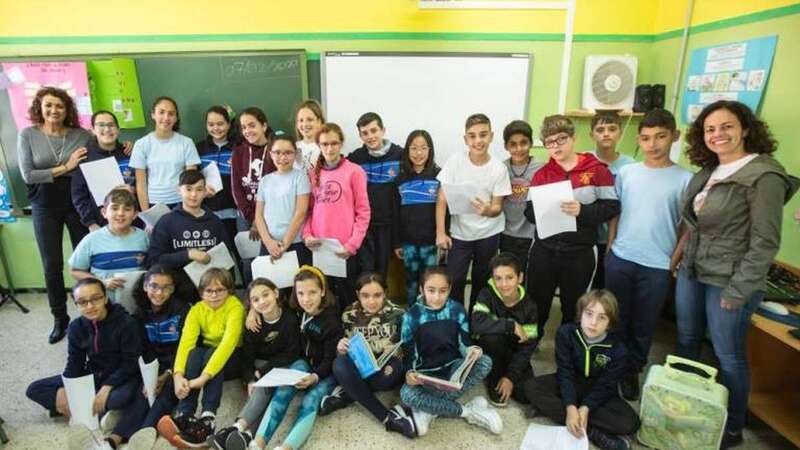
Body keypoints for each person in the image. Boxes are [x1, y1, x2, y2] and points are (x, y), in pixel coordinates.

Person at [675, 100, 799, 449]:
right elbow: (695, 223)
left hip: (729, 280)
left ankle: (732, 426)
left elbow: (765, 242)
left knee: (728, 354)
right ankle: (681, 403)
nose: (718, 135)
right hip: (694, 270)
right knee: (686, 341)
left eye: (727, 126)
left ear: (745, 129)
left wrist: (738, 290)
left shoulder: (764, 175)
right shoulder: (709, 171)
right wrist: (681, 257)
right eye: (710, 129)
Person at [604, 109, 692, 401]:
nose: (652, 144)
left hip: (657, 263)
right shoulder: (628, 173)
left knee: (644, 323)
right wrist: (611, 244)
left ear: (674, 137)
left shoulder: (685, 179)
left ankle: (632, 370)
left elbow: (687, 226)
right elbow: (616, 211)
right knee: (616, 317)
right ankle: (612, 366)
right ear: (639, 141)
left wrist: (675, 257)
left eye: (660, 137)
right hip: (621, 257)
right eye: (645, 138)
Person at [524, 115, 619, 338]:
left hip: (579, 253)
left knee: (575, 308)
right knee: (535, 303)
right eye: (549, 142)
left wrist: (582, 211)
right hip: (544, 250)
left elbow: (612, 207)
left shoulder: (597, 170)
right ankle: (528, 348)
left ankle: (570, 348)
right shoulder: (542, 174)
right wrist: (546, 210)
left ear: (573, 138)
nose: (555, 146)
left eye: (561, 139)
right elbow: (529, 212)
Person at [26, 278, 147, 449]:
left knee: (118, 399)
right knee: (34, 389)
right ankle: (93, 408)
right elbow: (74, 363)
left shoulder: (126, 323)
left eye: (95, 298)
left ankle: (95, 407)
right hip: (92, 374)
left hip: (121, 376)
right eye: (82, 302)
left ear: (105, 298)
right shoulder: (76, 326)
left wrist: (107, 387)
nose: (89, 306)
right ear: (76, 305)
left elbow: (131, 363)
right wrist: (66, 387)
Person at [17, 86, 91, 343]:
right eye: (48, 105)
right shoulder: (28, 135)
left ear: (68, 109)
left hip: (76, 201)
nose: (54, 110)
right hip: (44, 204)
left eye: (59, 106)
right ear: (40, 107)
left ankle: (93, 314)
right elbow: (28, 175)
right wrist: (67, 167)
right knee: (52, 264)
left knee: (84, 262)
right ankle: (60, 318)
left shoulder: (82, 135)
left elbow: (102, 153)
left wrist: (125, 147)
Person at [528, 290, 639, 450]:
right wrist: (571, 407)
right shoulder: (566, 333)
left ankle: (557, 413)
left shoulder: (619, 350)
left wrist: (586, 407)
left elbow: (606, 385)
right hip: (571, 382)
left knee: (630, 423)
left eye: (602, 317)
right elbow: (565, 372)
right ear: (580, 314)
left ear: (610, 323)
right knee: (530, 387)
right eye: (589, 314)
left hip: (598, 390)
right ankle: (592, 431)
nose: (593, 322)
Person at [400, 266, 502, 436]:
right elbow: (408, 350)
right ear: (421, 289)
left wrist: (472, 350)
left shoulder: (457, 309)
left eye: (443, 291)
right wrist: (409, 373)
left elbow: (464, 341)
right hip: (425, 374)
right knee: (407, 395)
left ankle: (429, 409)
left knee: (485, 361)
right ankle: (468, 411)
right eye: (431, 291)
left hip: (453, 368)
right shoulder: (411, 316)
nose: (437, 297)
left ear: (450, 290)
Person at [250, 266, 344, 450]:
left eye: (312, 293)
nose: (306, 299)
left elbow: (330, 359)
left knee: (310, 400)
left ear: (323, 291)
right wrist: (252, 311)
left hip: (326, 371)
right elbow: (267, 303)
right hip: (303, 363)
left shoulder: (331, 322)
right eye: (300, 293)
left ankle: (286, 447)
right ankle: (258, 442)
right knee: (284, 389)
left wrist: (315, 377)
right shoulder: (296, 310)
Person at [318, 272, 415, 438]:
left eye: (377, 295)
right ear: (357, 295)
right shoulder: (349, 314)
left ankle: (347, 394)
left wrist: (400, 351)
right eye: (365, 296)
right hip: (360, 367)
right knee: (339, 364)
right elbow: (347, 346)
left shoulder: (399, 313)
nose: (371, 301)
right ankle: (385, 417)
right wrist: (341, 347)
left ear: (385, 293)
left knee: (395, 369)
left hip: (387, 367)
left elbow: (408, 345)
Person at [158, 268, 244, 447]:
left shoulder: (235, 307)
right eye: (209, 291)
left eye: (220, 290)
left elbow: (227, 345)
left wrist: (203, 378)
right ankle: (185, 415)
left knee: (213, 353)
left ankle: (208, 419)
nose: (214, 295)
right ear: (201, 292)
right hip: (208, 356)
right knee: (195, 352)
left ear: (229, 290)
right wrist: (178, 376)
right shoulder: (197, 309)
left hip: (235, 357)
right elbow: (186, 343)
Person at [212, 278, 301, 450]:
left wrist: (263, 371)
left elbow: (292, 353)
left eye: (265, 295)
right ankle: (243, 433)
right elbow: (247, 356)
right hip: (261, 363)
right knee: (261, 388)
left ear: (276, 293)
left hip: (282, 363)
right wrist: (250, 378)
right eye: (256, 300)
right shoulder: (253, 324)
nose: (262, 302)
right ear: (251, 304)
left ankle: (235, 429)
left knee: (267, 385)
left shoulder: (290, 318)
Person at [436, 114, 511, 310]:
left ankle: (476, 324)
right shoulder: (455, 161)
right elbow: (442, 199)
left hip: (488, 233)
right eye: (472, 136)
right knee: (455, 279)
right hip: (460, 233)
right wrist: (440, 233)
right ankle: (459, 322)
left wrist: (487, 211)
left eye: (483, 135)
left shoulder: (499, 169)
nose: (478, 141)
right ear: (465, 139)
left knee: (481, 280)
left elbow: (497, 208)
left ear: (491, 136)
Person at [303, 123, 370, 310]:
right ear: (319, 145)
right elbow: (308, 211)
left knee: (348, 298)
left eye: (334, 143)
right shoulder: (312, 174)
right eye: (324, 144)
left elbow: (363, 212)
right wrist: (307, 235)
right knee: (324, 297)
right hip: (319, 249)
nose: (329, 148)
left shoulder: (354, 171)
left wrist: (352, 245)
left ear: (341, 144)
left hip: (344, 250)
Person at [145, 169, 234, 302]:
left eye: (199, 190)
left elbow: (227, 260)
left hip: (211, 294)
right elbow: (154, 260)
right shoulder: (166, 221)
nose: (193, 194)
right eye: (188, 189)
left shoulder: (215, 222)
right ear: (178, 190)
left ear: (205, 192)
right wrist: (188, 254)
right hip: (176, 295)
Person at [471, 253, 538, 408]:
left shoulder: (530, 306)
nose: (504, 284)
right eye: (498, 278)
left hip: (514, 352)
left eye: (509, 277)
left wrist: (510, 377)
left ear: (520, 278)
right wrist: (511, 325)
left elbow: (528, 346)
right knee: (491, 337)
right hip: (491, 348)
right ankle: (493, 375)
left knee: (527, 395)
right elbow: (476, 324)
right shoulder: (486, 295)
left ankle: (504, 376)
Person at [68, 188, 149, 313]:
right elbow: (75, 271)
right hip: (104, 305)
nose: (120, 213)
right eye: (115, 208)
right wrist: (102, 282)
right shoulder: (91, 240)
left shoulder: (144, 237)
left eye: (127, 209)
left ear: (135, 215)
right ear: (104, 212)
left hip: (137, 303)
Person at [133, 265, 192, 429]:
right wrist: (150, 375)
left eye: (166, 288)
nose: (159, 293)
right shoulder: (139, 312)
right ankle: (117, 435)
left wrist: (167, 374)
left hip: (178, 364)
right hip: (152, 364)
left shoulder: (183, 309)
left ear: (173, 289)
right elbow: (142, 347)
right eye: (154, 286)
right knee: (142, 391)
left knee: (167, 393)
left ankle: (146, 431)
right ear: (145, 286)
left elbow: (185, 347)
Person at [347, 112, 403, 275]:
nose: (370, 136)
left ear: (383, 130)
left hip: (388, 224)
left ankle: (381, 299)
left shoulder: (400, 155)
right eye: (365, 133)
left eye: (374, 130)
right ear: (360, 136)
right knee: (366, 269)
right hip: (364, 225)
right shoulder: (355, 158)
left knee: (382, 269)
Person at [588, 111, 635, 289]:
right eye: (600, 129)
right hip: (588, 238)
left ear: (620, 132)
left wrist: (612, 240)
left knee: (608, 288)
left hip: (616, 240)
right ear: (591, 134)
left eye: (612, 129)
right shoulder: (584, 161)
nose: (606, 133)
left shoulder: (630, 166)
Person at [394, 130, 442, 304]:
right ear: (407, 151)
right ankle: (413, 314)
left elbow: (446, 211)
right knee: (411, 282)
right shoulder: (400, 179)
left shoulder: (439, 176)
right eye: (414, 148)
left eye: (423, 148)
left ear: (430, 150)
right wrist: (397, 242)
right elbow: (395, 213)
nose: (419, 153)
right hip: (408, 244)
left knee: (430, 281)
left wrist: (443, 239)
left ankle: (429, 313)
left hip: (431, 243)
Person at [130, 96, 200, 211]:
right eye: (161, 112)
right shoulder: (141, 144)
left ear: (176, 117)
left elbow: (191, 180)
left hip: (180, 203)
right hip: (153, 203)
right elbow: (141, 183)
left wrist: (189, 209)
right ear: (153, 114)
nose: (166, 118)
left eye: (171, 114)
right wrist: (147, 214)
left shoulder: (186, 143)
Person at [71, 110, 137, 232]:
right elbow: (79, 196)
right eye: (101, 125)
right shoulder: (84, 158)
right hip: (100, 224)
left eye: (111, 125)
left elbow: (142, 183)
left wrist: (135, 190)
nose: (107, 129)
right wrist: (90, 223)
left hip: (132, 222)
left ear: (118, 129)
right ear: (93, 130)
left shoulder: (129, 152)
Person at [253, 134, 312, 268]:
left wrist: (284, 245)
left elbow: (300, 213)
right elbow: (259, 215)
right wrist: (268, 242)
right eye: (277, 152)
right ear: (270, 154)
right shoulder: (265, 180)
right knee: (269, 287)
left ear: (295, 154)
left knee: (294, 287)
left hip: (294, 244)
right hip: (269, 245)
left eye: (288, 153)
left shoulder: (301, 177)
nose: (283, 157)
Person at [231, 107, 275, 285]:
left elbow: (276, 188)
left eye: (252, 125)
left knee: (270, 256)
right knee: (248, 259)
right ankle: (251, 297)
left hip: (270, 215)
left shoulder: (275, 150)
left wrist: (260, 219)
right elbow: (235, 187)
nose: (247, 131)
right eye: (243, 127)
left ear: (264, 125)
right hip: (245, 216)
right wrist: (251, 218)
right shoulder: (239, 152)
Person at [499, 120, 542, 273]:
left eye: (523, 143)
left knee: (526, 278)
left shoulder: (542, 168)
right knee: (507, 278)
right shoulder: (500, 168)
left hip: (531, 236)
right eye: (513, 144)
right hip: (504, 234)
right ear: (506, 146)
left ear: (531, 143)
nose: (519, 149)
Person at [197, 105, 239, 245]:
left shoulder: (238, 147)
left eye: (220, 124)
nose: (216, 128)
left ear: (228, 124)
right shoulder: (199, 148)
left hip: (233, 211)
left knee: (235, 250)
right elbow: (193, 178)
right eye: (211, 124)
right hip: (206, 211)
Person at [293, 99, 325, 171]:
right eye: (301, 120)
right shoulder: (293, 147)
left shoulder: (326, 147)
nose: (305, 124)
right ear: (297, 124)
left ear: (319, 122)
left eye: (310, 120)